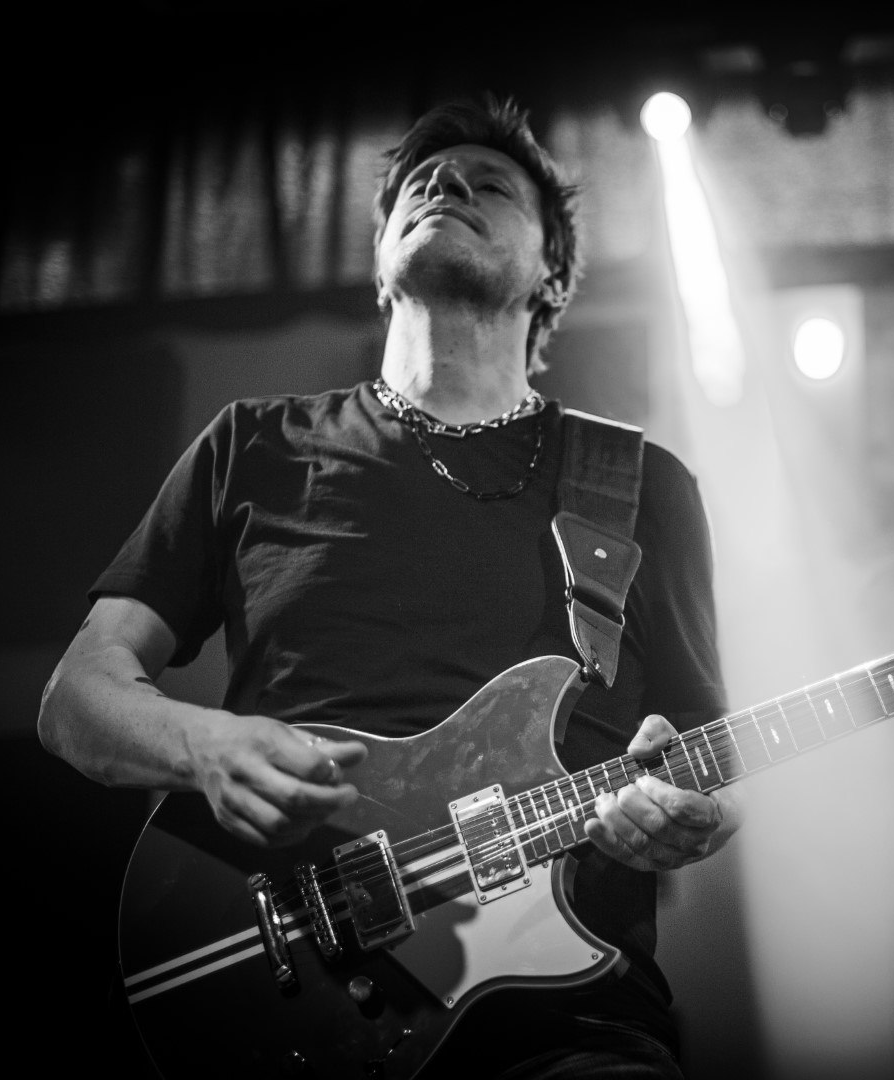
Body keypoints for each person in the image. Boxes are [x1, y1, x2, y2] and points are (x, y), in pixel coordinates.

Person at [37, 96, 741, 1078]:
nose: (448, 186)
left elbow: (704, 756)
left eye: (490, 185)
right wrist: (204, 746)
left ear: (552, 273)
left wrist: (689, 815)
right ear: (379, 263)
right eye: (424, 183)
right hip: (297, 999)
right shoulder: (254, 445)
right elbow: (76, 696)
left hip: (569, 1020)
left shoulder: (639, 483)